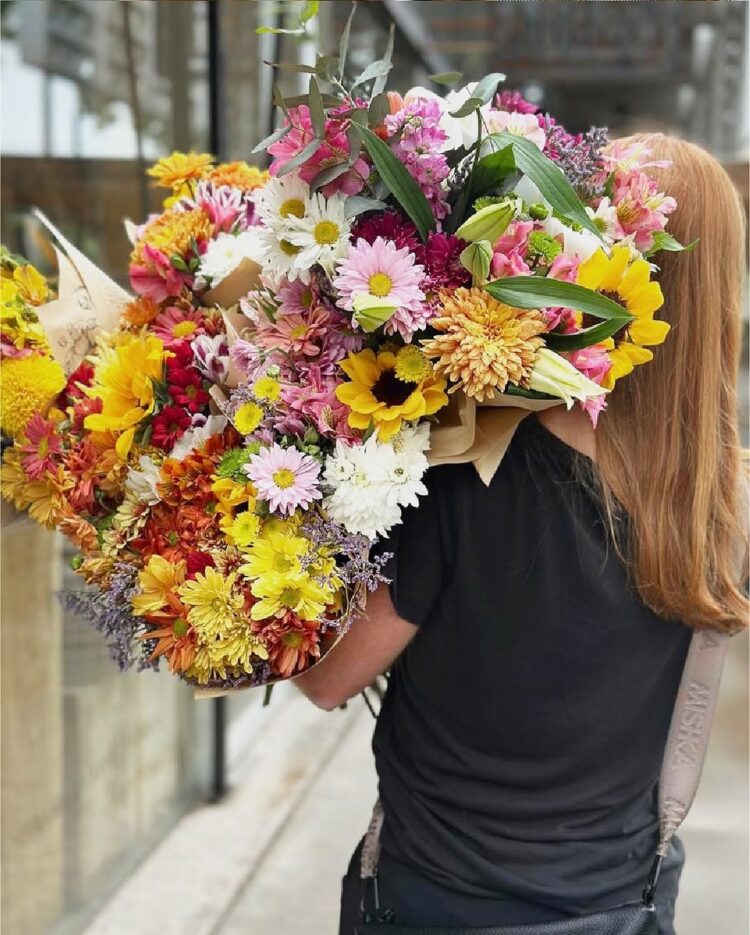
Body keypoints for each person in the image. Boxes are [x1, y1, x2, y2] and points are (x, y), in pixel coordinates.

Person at [294, 134, 749, 935]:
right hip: (619, 905)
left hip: (436, 900)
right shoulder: (728, 498)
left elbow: (327, 679)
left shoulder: (472, 464)